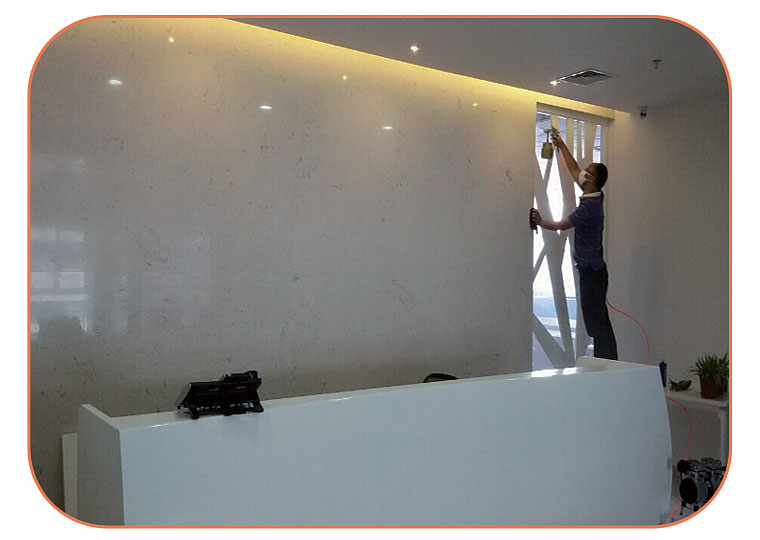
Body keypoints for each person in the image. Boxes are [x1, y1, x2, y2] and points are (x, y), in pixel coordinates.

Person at [530, 130, 618, 360]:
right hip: (594, 270)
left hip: (592, 273)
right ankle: (606, 360)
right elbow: (574, 170)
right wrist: (561, 145)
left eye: (589, 170)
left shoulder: (589, 207)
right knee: (598, 319)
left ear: (592, 179)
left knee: (595, 321)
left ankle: (606, 362)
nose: (584, 172)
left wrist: (540, 221)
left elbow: (562, 225)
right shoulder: (594, 194)